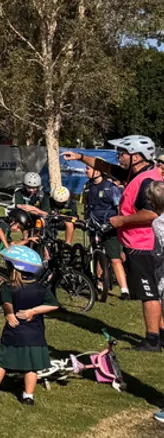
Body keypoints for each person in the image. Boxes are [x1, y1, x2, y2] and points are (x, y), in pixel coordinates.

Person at [64, 137, 163, 350]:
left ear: (137, 156)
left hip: (143, 244)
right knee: (150, 291)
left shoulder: (147, 181)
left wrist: (121, 220)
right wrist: (80, 157)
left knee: (149, 293)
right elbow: (104, 166)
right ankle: (161, 334)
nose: (119, 156)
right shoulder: (134, 173)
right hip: (135, 242)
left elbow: (151, 213)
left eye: (123, 152)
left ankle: (153, 340)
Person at [0, 245, 58, 404]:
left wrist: (9, 314)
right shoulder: (41, 288)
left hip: (14, 331)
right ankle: (28, 396)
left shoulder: (9, 287)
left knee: (2, 361)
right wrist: (34, 311)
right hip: (35, 334)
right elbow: (53, 305)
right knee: (31, 366)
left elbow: (7, 303)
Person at [82, 161, 127, 299]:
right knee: (97, 255)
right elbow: (86, 206)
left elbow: (119, 208)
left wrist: (116, 223)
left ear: (97, 171)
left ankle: (124, 290)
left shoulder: (111, 188)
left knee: (115, 259)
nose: (86, 171)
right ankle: (99, 283)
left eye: (88, 168)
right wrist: (85, 220)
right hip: (94, 226)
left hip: (109, 227)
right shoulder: (87, 187)